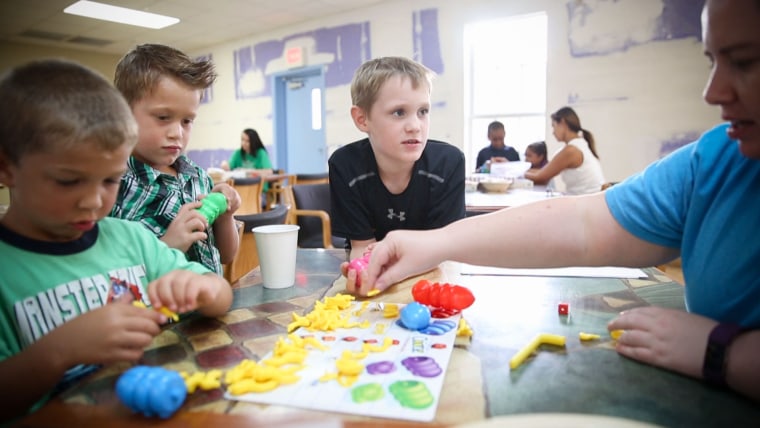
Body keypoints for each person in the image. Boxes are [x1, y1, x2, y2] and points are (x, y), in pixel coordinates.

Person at [357, 0, 760, 403]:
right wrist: (435, 242)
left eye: (744, 61)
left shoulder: (569, 149)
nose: (712, 92)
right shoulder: (716, 160)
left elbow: (545, 181)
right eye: (712, 62)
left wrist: (727, 352)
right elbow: (584, 224)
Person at [0, 59, 233, 422]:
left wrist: (204, 289)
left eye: (110, 180)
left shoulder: (131, 239)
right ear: (6, 167)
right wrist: (59, 350)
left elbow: (221, 294)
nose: (93, 201)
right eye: (68, 181)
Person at [109, 44, 241, 275]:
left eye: (187, 121)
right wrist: (167, 247)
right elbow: (108, 275)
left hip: (211, 305)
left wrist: (225, 216)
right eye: (163, 117)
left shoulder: (197, 177)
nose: (177, 133)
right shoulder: (113, 187)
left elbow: (227, 256)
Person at [329, 56, 466, 260]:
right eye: (399, 112)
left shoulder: (449, 163)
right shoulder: (344, 166)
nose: (415, 126)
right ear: (362, 119)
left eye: (423, 111)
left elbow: (445, 249)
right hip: (375, 269)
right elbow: (362, 248)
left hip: (432, 267)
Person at [524, 107, 605, 195]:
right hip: (588, 199)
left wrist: (519, 174)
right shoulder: (579, 144)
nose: (553, 132)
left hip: (586, 203)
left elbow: (540, 177)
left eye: (553, 126)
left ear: (562, 123)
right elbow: (543, 171)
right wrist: (523, 171)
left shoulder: (571, 150)